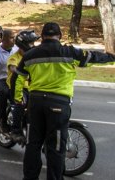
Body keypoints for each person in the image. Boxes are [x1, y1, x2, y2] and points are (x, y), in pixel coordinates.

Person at [15, 22, 115, 180]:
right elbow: (92, 57)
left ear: (42, 37)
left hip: (36, 104)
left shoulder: (30, 54)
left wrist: (18, 99)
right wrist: (111, 57)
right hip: (58, 105)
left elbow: (18, 77)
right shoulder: (69, 52)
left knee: (33, 145)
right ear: (59, 36)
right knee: (55, 148)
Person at [6, 29, 40, 143]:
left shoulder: (33, 57)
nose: (33, 46)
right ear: (23, 45)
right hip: (17, 87)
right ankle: (16, 130)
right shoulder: (14, 58)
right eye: (31, 43)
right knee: (21, 103)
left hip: (32, 87)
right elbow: (13, 68)